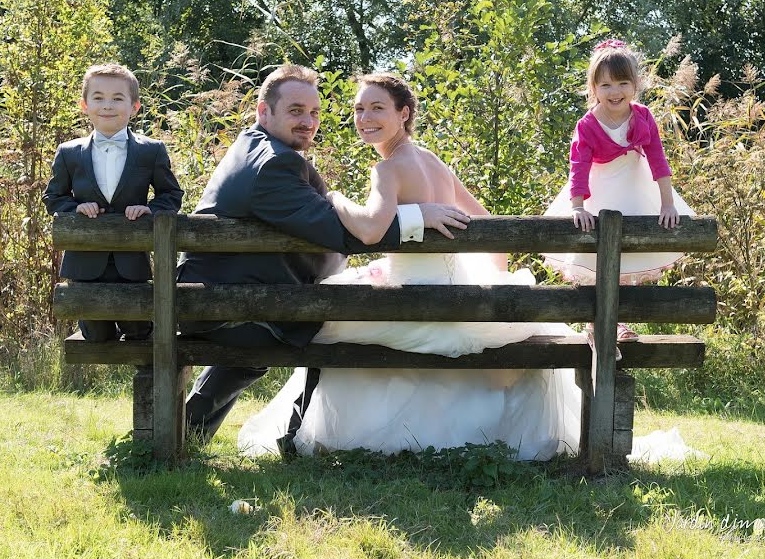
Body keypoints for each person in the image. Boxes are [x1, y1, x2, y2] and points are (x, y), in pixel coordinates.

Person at [238, 73, 582, 460]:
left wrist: (334, 197)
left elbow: (370, 229)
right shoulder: (433, 161)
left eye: (377, 108)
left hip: (415, 302)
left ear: (404, 113)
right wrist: (492, 284)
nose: (365, 117)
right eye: (359, 109)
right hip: (455, 294)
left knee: (322, 322)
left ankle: (333, 435)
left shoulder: (386, 169)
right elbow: (489, 224)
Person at [178, 65, 471, 444]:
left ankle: (191, 433)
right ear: (263, 111)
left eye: (315, 113)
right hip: (227, 302)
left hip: (225, 294)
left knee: (294, 334)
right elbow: (350, 235)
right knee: (310, 330)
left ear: (404, 114)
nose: (308, 122)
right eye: (296, 111)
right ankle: (297, 436)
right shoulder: (275, 164)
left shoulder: (258, 146)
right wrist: (417, 215)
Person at [542, 39, 695, 342]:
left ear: (635, 84)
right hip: (601, 189)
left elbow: (658, 161)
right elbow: (579, 167)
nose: (615, 92)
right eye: (606, 85)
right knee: (594, 259)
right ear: (594, 88)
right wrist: (577, 206)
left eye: (623, 83)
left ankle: (617, 322)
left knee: (626, 259)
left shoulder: (643, 116)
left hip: (632, 186)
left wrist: (667, 204)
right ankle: (594, 322)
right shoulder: (587, 124)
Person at [43, 63, 183, 347]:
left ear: (135, 107)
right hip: (84, 265)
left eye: (118, 98)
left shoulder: (150, 150)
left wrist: (150, 210)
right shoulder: (69, 153)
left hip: (131, 263)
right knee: (97, 337)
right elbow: (54, 197)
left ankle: (152, 380)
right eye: (98, 98)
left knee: (138, 331)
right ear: (85, 105)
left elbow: (171, 194)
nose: (107, 105)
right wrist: (75, 209)